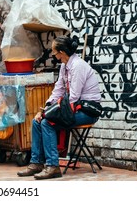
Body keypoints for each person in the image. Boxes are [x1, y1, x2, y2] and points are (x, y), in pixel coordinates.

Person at [17, 35, 101, 179]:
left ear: (61, 52)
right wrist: (45, 108)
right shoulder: (65, 66)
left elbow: (73, 97)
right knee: (36, 122)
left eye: (54, 52)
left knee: (47, 123)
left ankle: (53, 166)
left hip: (87, 111)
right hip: (72, 108)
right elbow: (58, 90)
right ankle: (36, 163)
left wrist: (47, 114)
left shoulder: (78, 66)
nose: (53, 55)